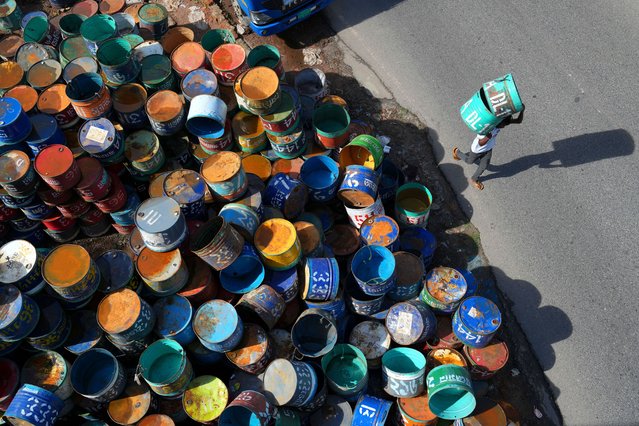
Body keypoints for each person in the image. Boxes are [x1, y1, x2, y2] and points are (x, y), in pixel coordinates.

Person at [453, 105, 525, 190]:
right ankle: (457, 152)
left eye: (505, 124)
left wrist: (522, 111)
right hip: (477, 149)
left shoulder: (502, 123)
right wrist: (488, 137)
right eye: (503, 125)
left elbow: (518, 121)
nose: (504, 126)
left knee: (484, 165)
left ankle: (474, 179)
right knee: (470, 161)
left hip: (488, 149)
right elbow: (480, 142)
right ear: (498, 121)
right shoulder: (487, 128)